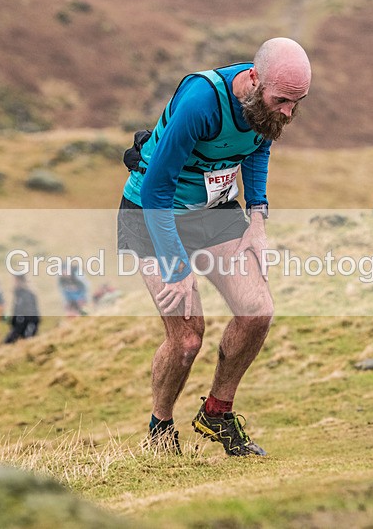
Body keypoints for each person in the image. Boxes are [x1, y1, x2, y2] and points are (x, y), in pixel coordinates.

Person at [117, 37, 311, 456]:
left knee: (257, 311)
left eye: (298, 102)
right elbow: (155, 190)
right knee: (187, 339)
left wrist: (257, 216)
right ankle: (160, 430)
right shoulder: (201, 103)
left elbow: (260, 145)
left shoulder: (266, 103)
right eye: (283, 100)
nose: (288, 112)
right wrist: (176, 266)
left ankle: (217, 413)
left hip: (213, 212)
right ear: (255, 80)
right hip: (152, 214)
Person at [5, 274, 40, 344]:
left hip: (26, 327)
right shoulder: (18, 295)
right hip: (19, 326)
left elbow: (32, 315)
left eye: (15, 280)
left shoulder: (27, 295)